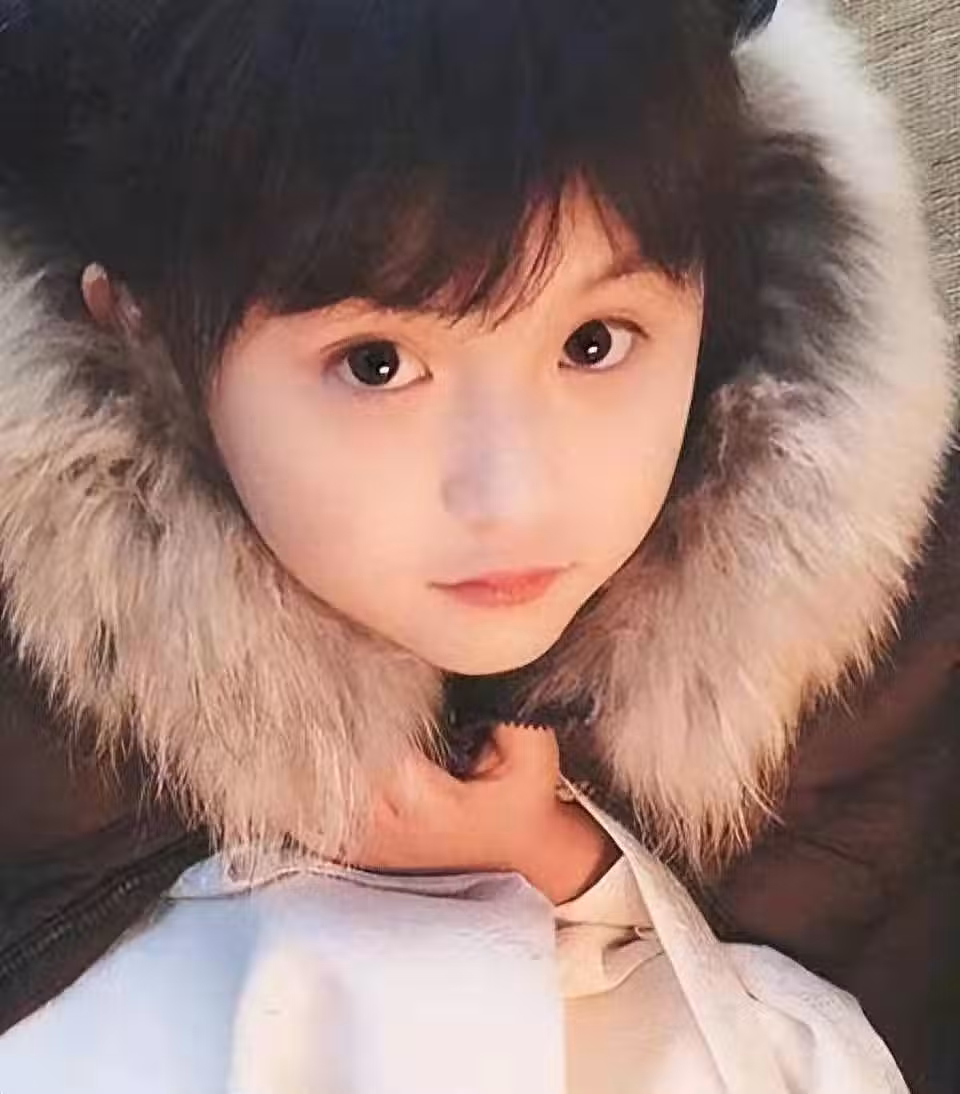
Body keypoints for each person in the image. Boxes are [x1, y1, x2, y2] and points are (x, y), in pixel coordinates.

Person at [0, 0, 953, 1090]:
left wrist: (570, 862)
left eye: (594, 343)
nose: (513, 496)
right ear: (140, 330)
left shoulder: (892, 650)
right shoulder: (35, 714)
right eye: (377, 364)